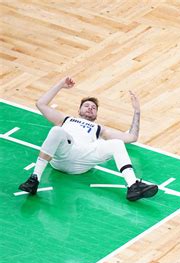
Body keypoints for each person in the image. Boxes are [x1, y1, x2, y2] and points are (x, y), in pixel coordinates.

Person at [18, 76, 158, 201]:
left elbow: (132, 137)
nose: (90, 108)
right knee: (56, 130)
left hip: (82, 162)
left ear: (96, 114)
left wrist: (137, 111)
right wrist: (60, 84)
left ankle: (133, 186)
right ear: (79, 110)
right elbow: (41, 104)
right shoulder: (66, 119)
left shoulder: (99, 128)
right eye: (86, 106)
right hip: (63, 156)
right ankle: (34, 179)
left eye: (93, 107)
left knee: (116, 143)